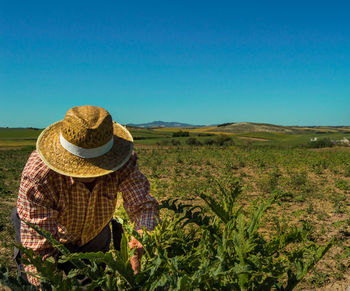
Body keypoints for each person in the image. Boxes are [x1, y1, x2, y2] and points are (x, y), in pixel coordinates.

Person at [11, 105, 160, 287]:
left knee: (91, 284)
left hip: (94, 235)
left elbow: (143, 206)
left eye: (100, 165)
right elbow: (40, 253)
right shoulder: (39, 176)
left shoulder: (123, 161)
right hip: (47, 231)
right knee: (38, 280)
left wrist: (141, 238)